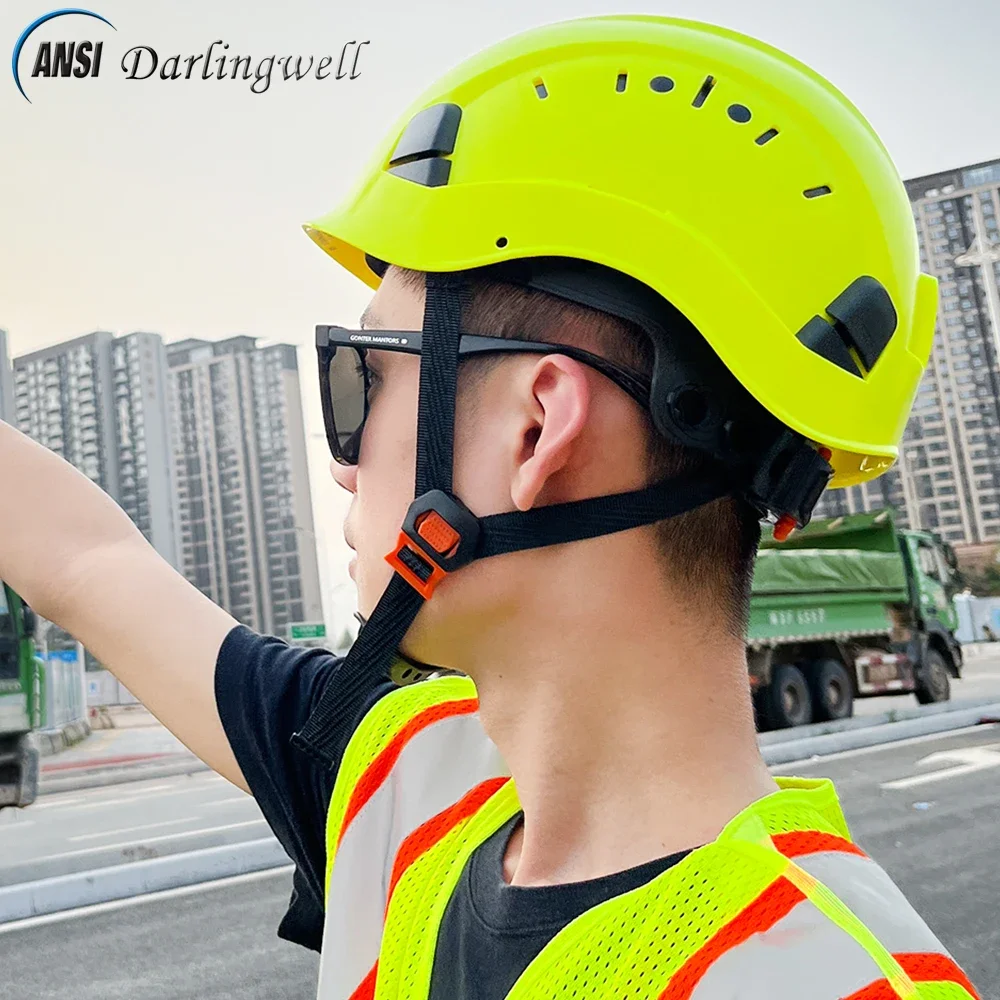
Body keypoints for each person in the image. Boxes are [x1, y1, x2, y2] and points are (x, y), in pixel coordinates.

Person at [0, 14, 979, 1000]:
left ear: (535, 428)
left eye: (361, 375)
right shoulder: (400, 770)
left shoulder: (827, 980)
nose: (343, 467)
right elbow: (87, 563)